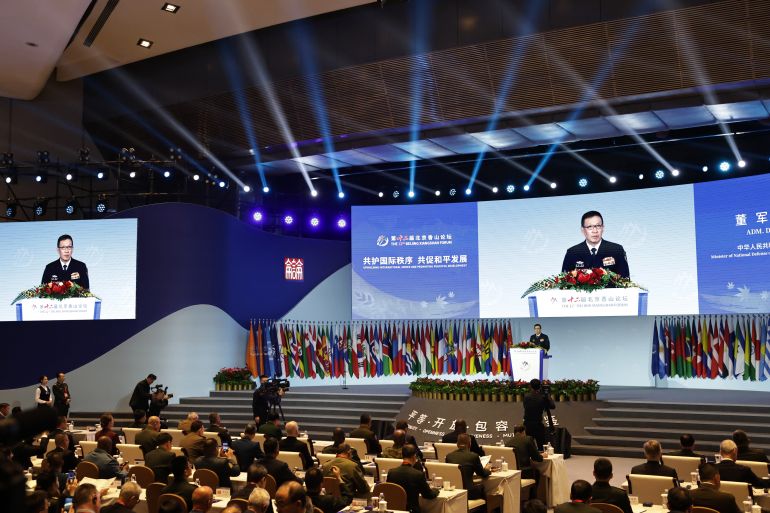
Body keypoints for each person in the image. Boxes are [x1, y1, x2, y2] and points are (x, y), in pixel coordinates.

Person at [561, 211, 630, 278]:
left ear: (603, 228)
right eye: (590, 227)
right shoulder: (572, 252)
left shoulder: (616, 249)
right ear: (583, 230)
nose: (595, 231)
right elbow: (564, 282)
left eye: (598, 226)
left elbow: (625, 279)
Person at [386, 444, 438, 513]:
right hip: (412, 510)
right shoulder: (418, 474)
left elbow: (389, 491)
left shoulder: (391, 472)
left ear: (402, 455)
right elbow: (428, 495)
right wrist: (436, 490)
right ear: (414, 456)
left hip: (394, 511)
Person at [445, 433, 490, 499]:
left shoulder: (449, 456)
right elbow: (482, 474)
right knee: (483, 488)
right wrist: (488, 469)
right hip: (469, 493)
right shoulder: (473, 456)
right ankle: (486, 509)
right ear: (469, 444)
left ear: (457, 444)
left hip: (453, 491)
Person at [505, 424, 543, 495]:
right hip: (524, 472)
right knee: (537, 472)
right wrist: (542, 456)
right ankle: (533, 498)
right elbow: (538, 458)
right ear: (523, 432)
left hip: (512, 473)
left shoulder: (507, 443)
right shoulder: (528, 439)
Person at [523, 379, 555, 450]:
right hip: (538, 425)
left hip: (527, 425)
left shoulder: (526, 397)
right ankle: (542, 459)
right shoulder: (542, 397)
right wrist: (548, 396)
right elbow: (552, 406)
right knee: (541, 446)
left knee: (528, 446)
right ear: (540, 387)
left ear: (530, 386)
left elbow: (525, 406)